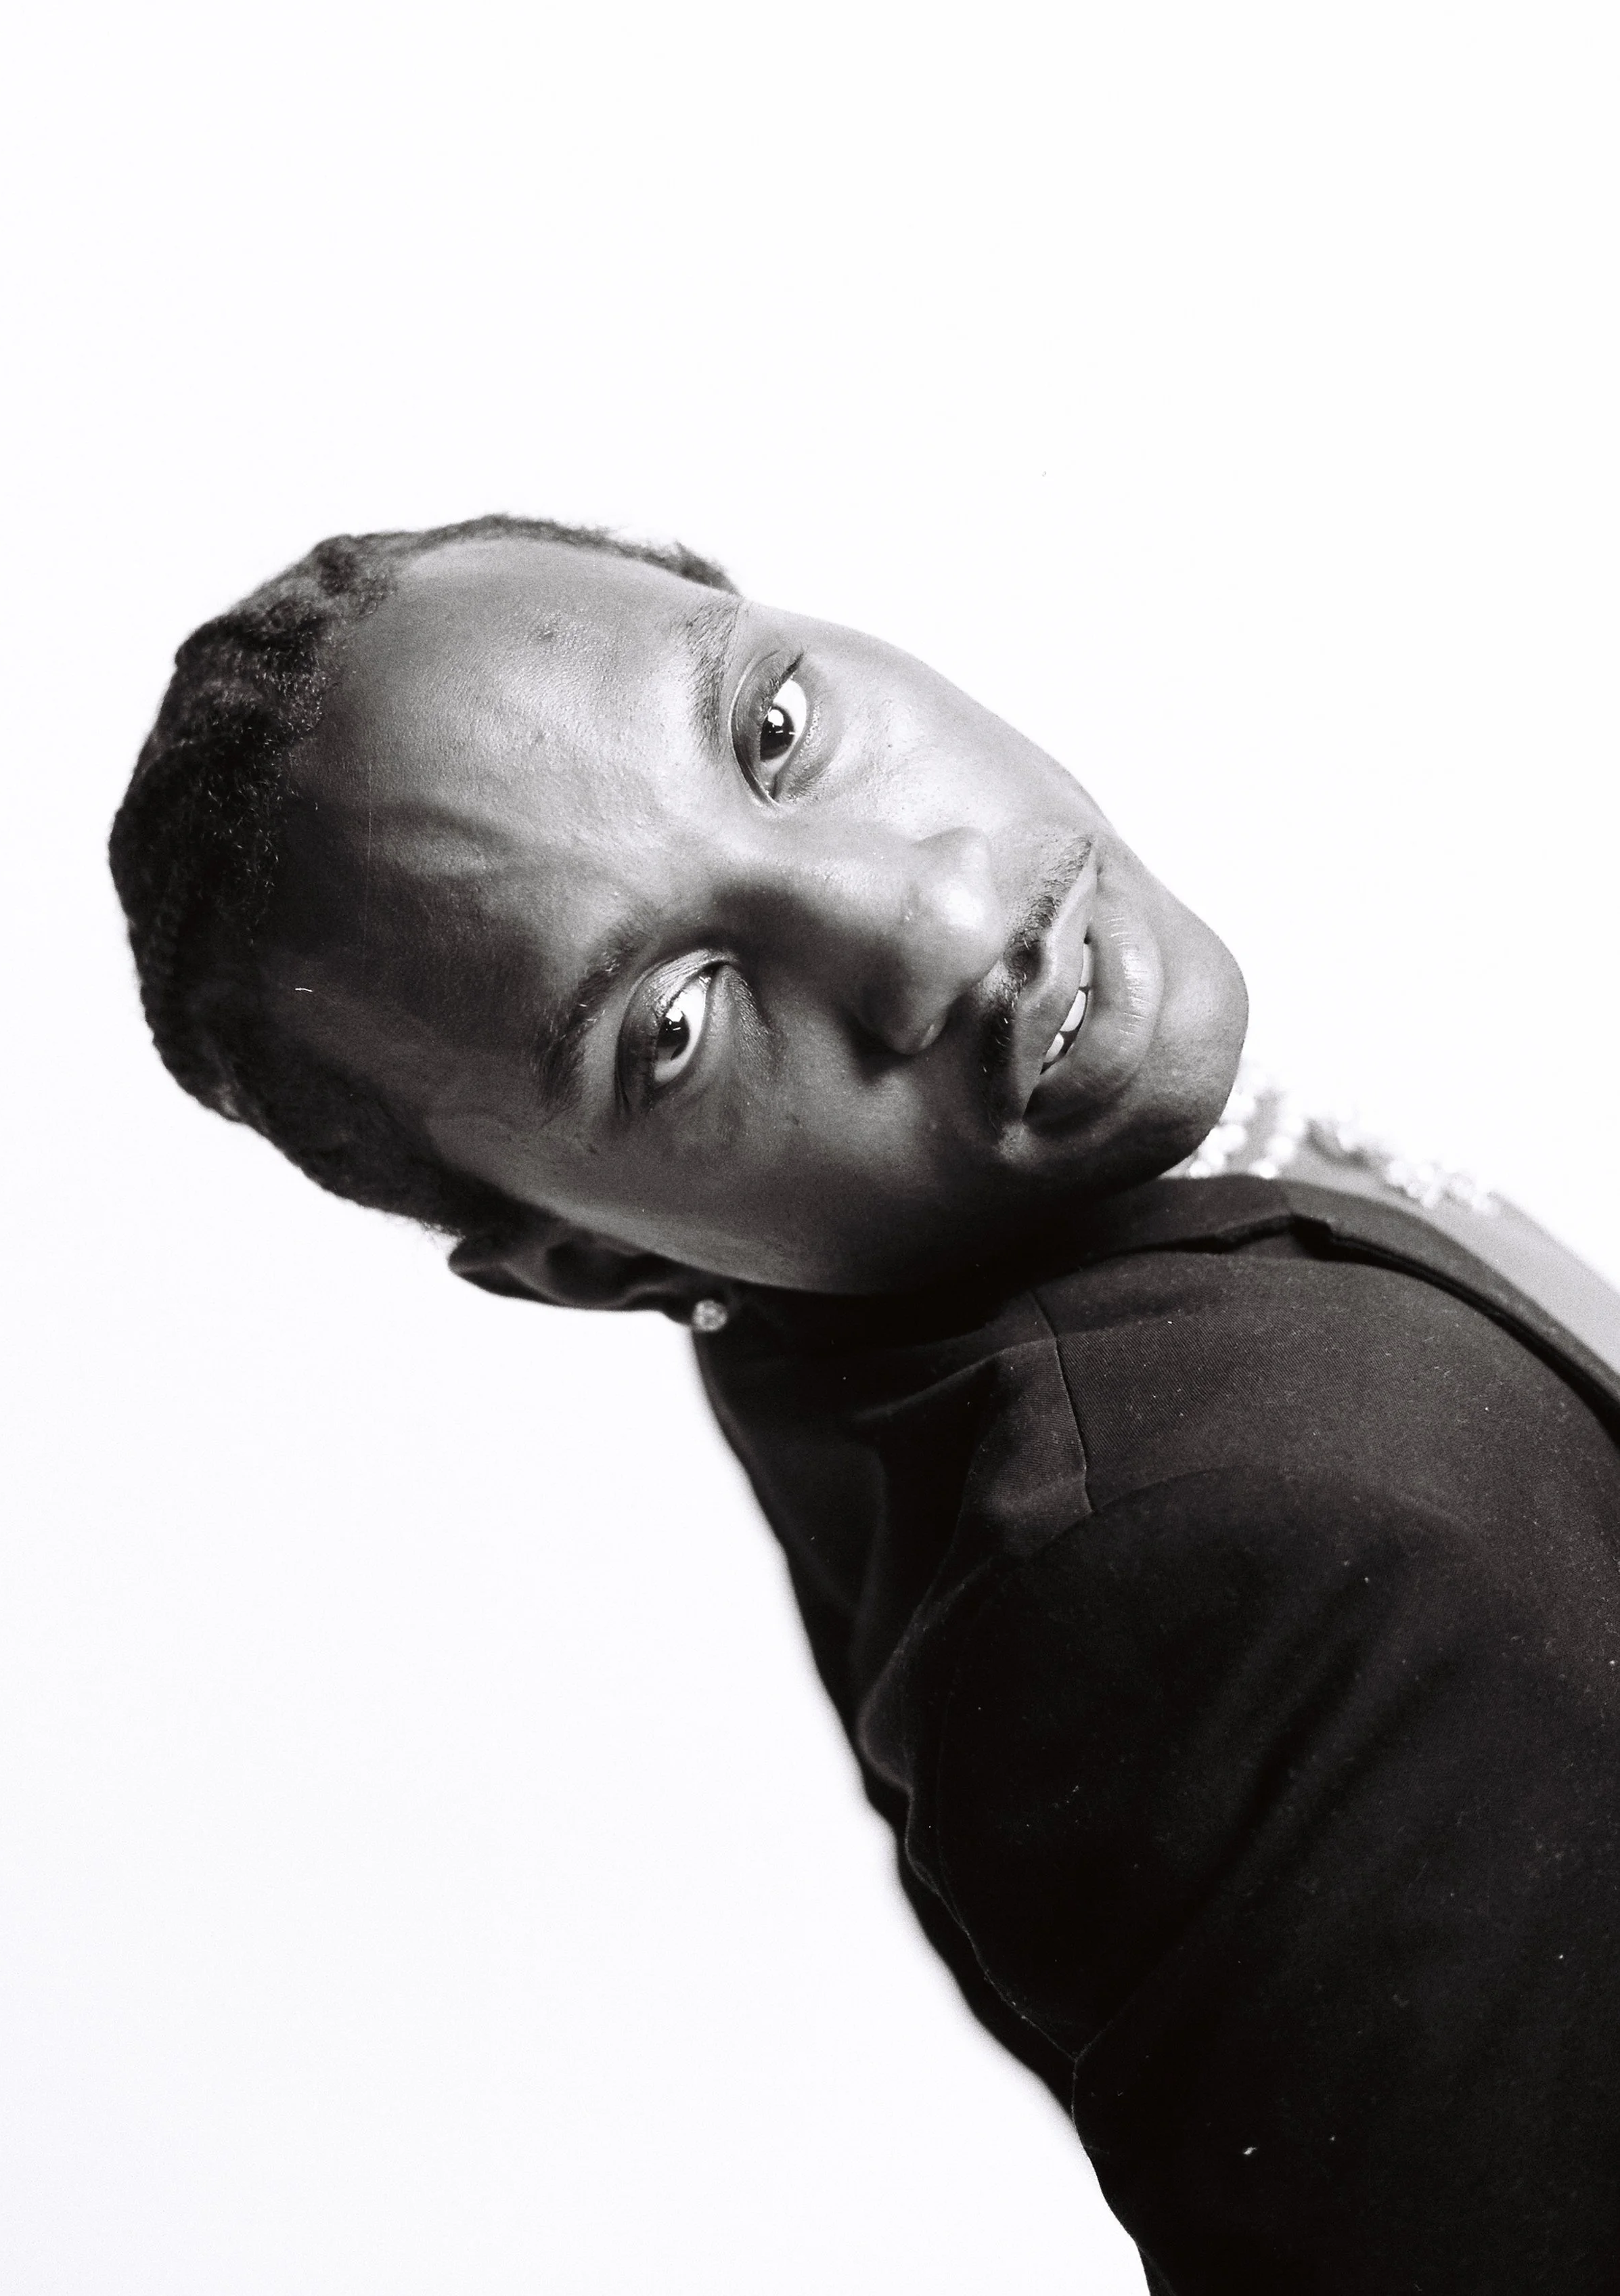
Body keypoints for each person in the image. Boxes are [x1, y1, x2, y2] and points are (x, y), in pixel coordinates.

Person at [110, 514, 1620, 2295]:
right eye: (676, 1027)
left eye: (774, 733)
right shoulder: (1254, 1533)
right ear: (596, 1261)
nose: (940, 918)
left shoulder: (809, 1292)